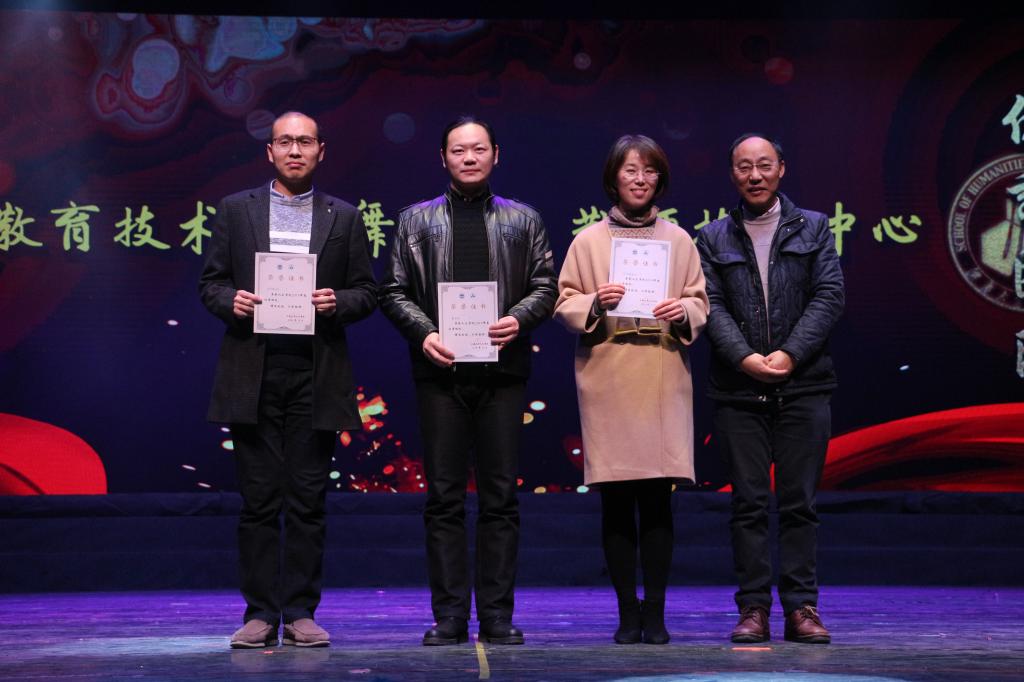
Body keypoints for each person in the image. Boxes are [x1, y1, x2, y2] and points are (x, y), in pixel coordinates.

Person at [199, 111, 376, 649]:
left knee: (306, 500)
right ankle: (259, 613)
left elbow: (367, 291)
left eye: (304, 141)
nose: (294, 150)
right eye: (284, 142)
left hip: (316, 372)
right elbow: (211, 283)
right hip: (253, 370)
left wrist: (337, 301)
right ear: (269, 151)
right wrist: (230, 300)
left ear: (321, 150)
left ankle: (300, 611)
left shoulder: (344, 217)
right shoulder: (236, 210)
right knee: (258, 501)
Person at [378, 116, 556, 646]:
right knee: (444, 498)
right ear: (443, 158)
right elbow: (393, 290)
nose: (469, 158)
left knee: (500, 497)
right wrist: (425, 333)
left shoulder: (524, 219)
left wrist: (519, 318)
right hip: (441, 373)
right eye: (459, 150)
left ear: (496, 154)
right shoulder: (415, 221)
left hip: (503, 374)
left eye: (479, 149)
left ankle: (497, 615)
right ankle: (450, 615)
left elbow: (546, 285)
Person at [554, 135, 709, 644]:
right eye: (630, 170)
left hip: (662, 369)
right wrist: (595, 302)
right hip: (608, 371)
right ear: (613, 178)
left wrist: (682, 310)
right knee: (617, 500)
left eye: (649, 171)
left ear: (659, 179)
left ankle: (656, 613)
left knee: (658, 499)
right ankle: (626, 612)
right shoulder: (588, 241)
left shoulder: (679, 240)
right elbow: (564, 302)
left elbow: (699, 303)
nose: (640, 179)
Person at [696, 133, 844, 644]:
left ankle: (802, 607)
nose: (754, 175)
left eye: (764, 165)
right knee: (749, 504)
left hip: (804, 384)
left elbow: (829, 296)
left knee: (799, 503)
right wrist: (743, 357)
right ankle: (753, 608)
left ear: (782, 168)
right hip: (738, 390)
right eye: (744, 167)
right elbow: (710, 304)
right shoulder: (711, 237)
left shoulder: (815, 227)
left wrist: (789, 354)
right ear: (732, 174)